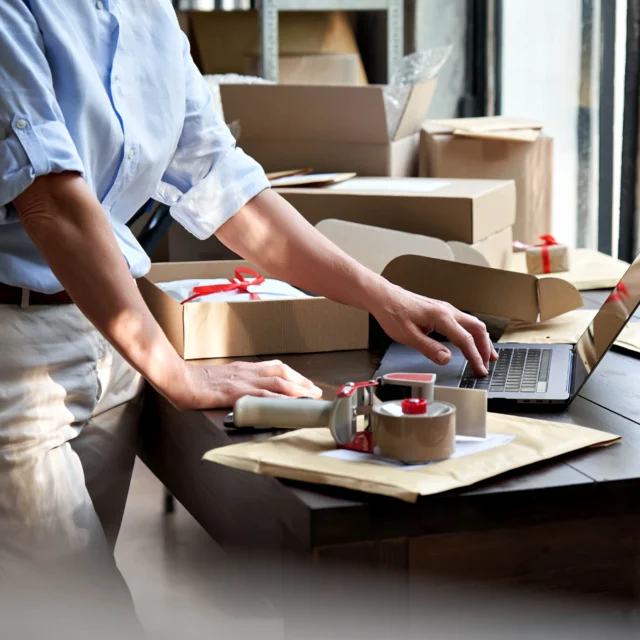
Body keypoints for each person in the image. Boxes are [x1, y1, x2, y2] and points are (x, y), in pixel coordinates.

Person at [0, 0, 495, 633]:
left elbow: (225, 184)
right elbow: (52, 203)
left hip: (106, 339)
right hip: (18, 355)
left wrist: (385, 297)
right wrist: (177, 373)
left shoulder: (148, 13)